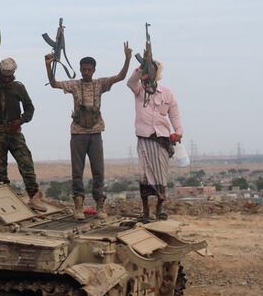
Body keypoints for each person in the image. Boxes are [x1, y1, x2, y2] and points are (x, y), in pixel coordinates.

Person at [45, 43, 131, 219]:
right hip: (78, 133)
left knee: (98, 171)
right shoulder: (75, 85)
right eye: (83, 69)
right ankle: (78, 207)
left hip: (95, 132)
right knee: (77, 171)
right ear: (80, 69)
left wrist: (127, 59)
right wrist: (48, 66)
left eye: (89, 69)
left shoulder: (100, 84)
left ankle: (100, 206)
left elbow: (120, 77)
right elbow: (54, 84)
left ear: (94, 70)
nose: (86, 72)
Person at [0, 57, 46, 211]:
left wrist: (21, 121)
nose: (7, 79)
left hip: (14, 133)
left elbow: (30, 108)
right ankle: (5, 203)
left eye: (9, 76)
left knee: (27, 165)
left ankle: (34, 198)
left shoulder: (18, 87)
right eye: (4, 76)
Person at [127, 61, 183, 221]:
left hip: (162, 140)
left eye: (151, 70)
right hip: (144, 139)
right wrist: (140, 68)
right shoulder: (139, 90)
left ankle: (159, 209)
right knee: (144, 175)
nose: (147, 73)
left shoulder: (166, 93)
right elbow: (130, 82)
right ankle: (145, 211)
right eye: (146, 70)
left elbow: (174, 114)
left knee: (161, 176)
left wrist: (178, 132)